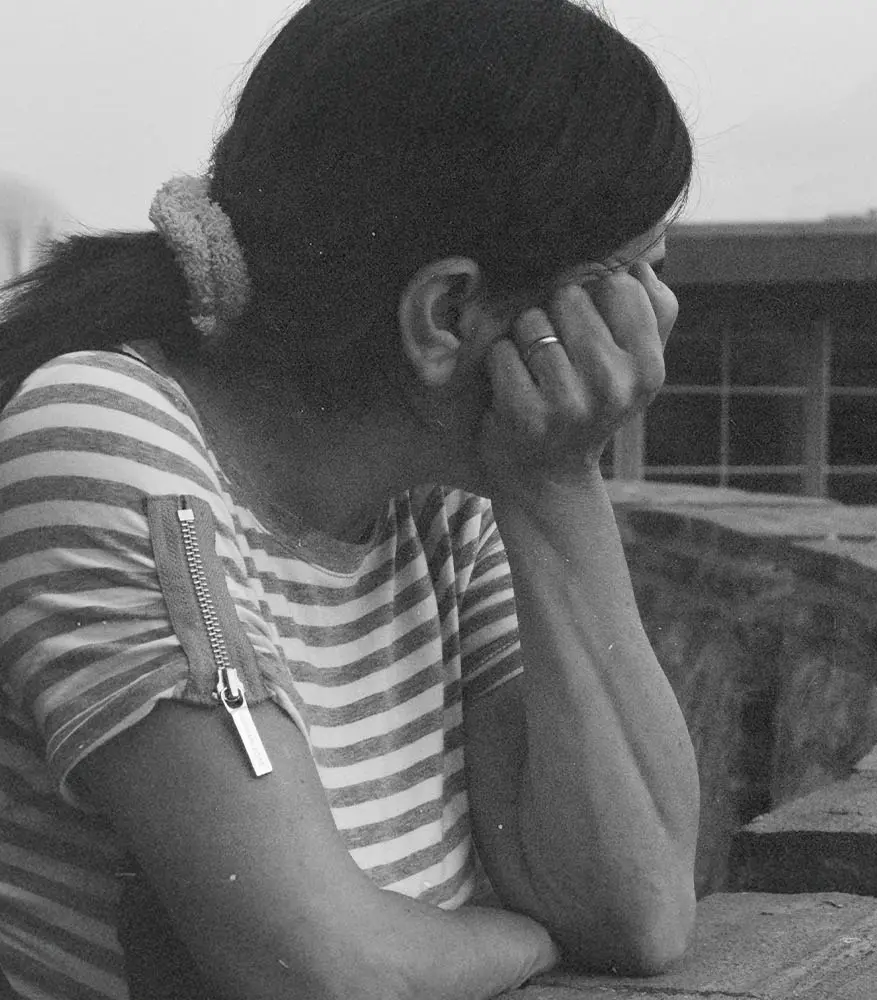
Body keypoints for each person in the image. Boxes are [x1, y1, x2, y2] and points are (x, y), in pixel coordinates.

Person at [0, 1, 700, 997]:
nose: (656, 324)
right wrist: (528, 938)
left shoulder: (450, 501)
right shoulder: (112, 440)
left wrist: (557, 481)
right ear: (449, 313)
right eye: (630, 277)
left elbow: (637, 906)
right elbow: (323, 969)